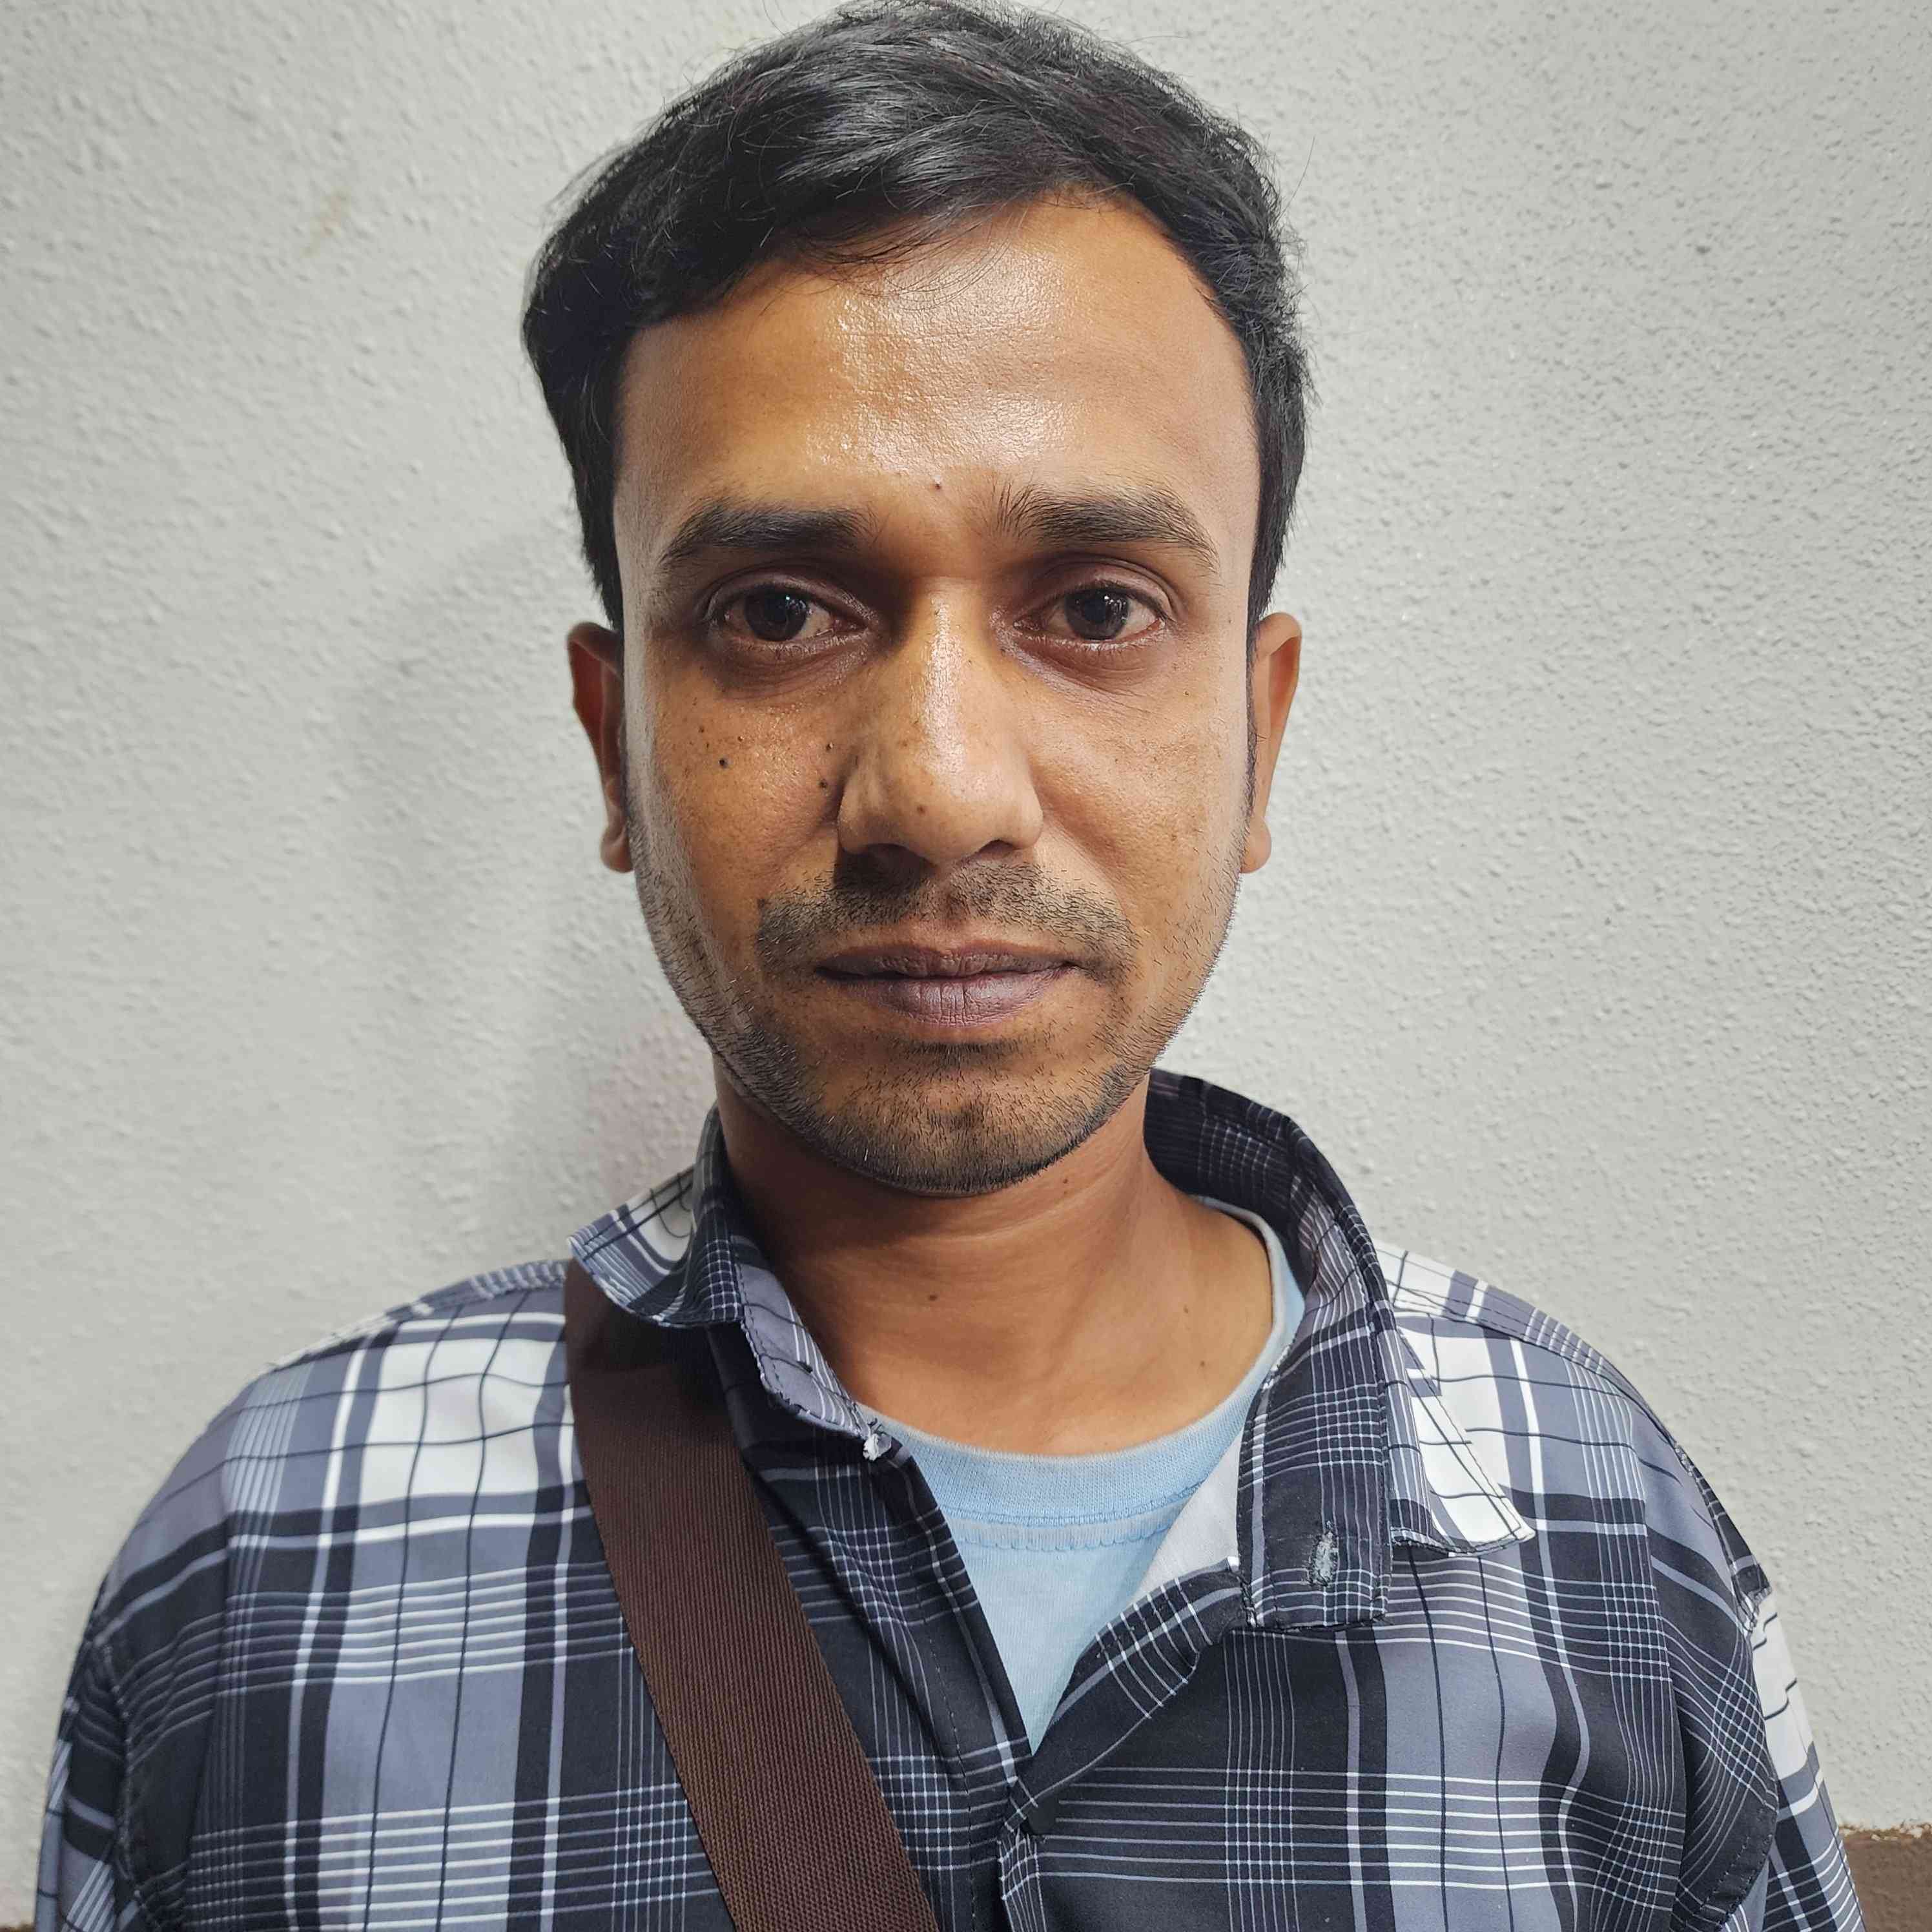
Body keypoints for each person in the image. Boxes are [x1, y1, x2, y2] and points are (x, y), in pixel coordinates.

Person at [36, 3, 1863, 1927]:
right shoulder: (270, 1566)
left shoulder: (1599, 1535)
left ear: (1258, 737)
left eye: (1096, 607)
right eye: (779, 612)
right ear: (614, 746)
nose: (938, 790)